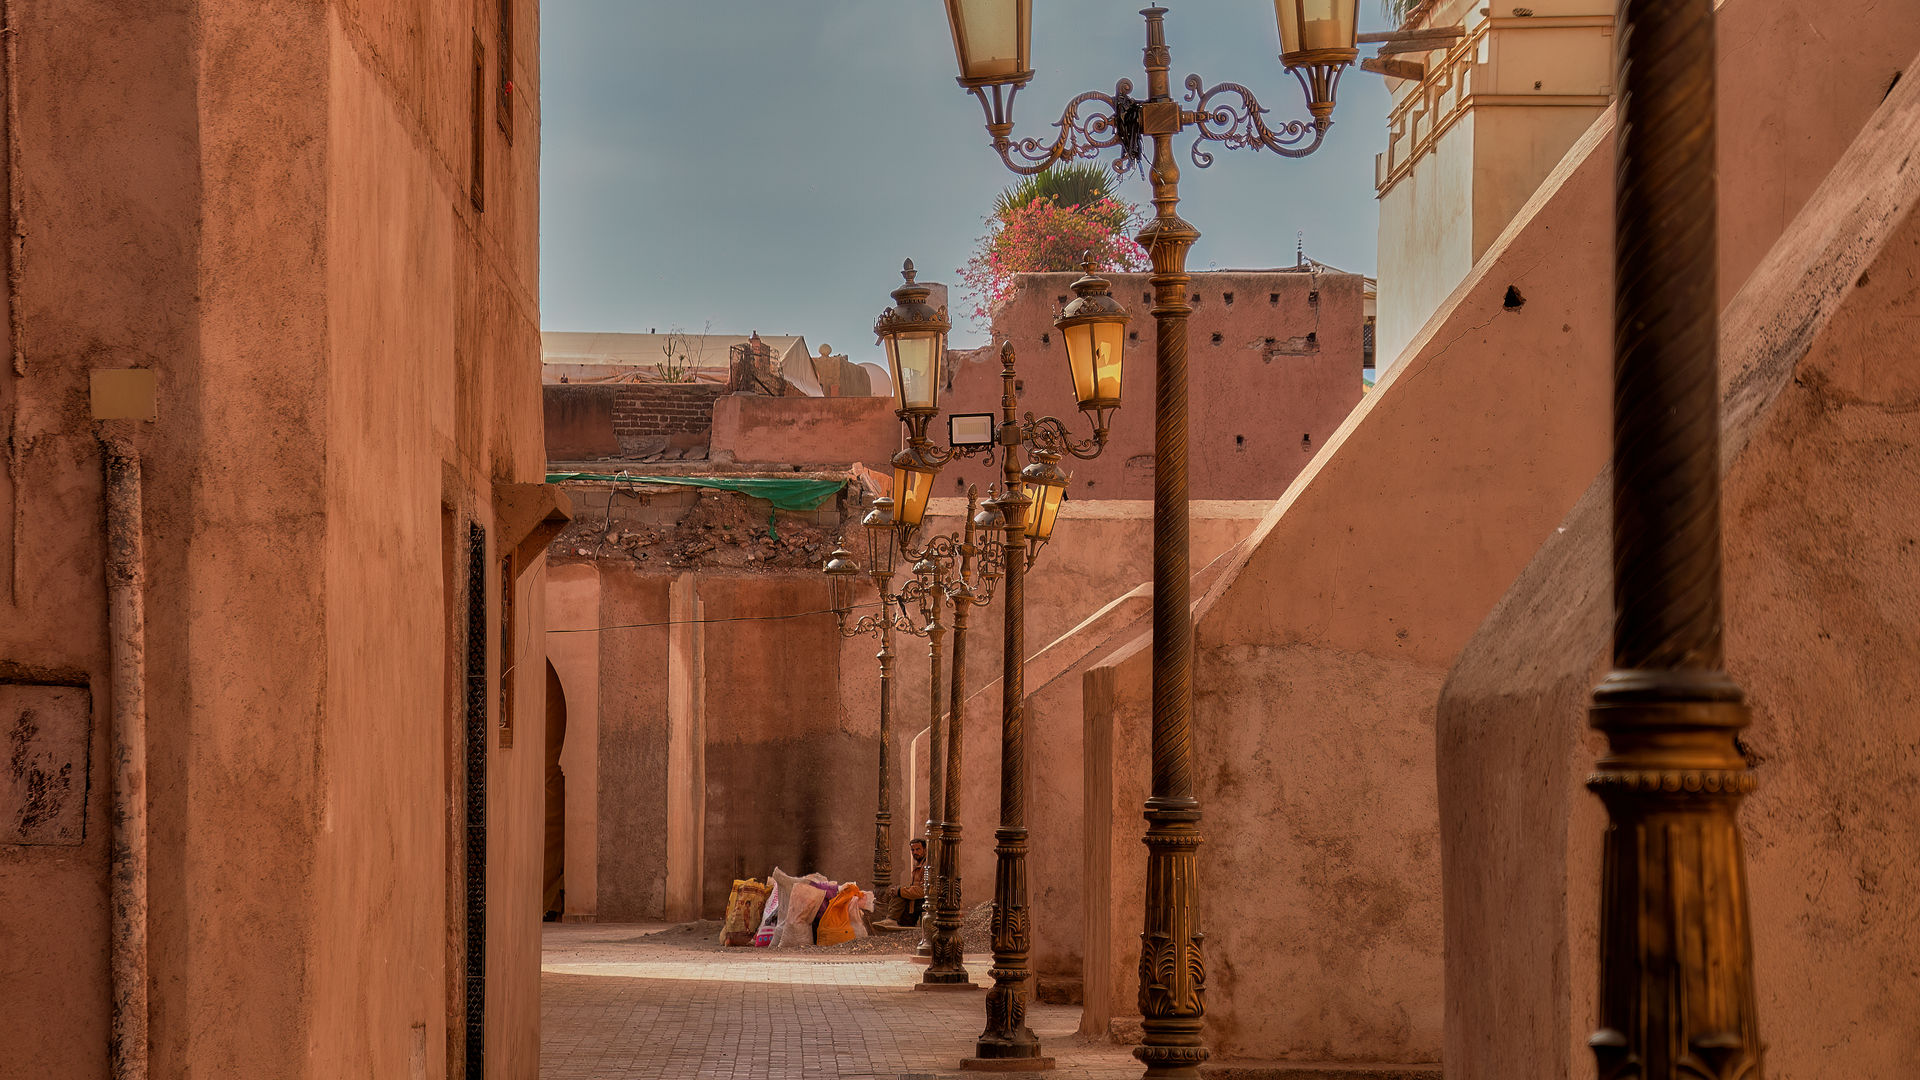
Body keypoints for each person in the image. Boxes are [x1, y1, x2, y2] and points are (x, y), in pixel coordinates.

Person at [898, 838, 928, 926]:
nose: (915, 852)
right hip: (916, 900)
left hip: (925, 901)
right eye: (912, 850)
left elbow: (924, 891)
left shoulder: (927, 866)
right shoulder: (918, 864)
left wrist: (901, 891)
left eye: (918, 849)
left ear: (925, 849)